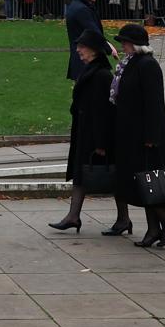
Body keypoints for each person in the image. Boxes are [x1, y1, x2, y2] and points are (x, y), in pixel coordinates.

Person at [110, 22, 165, 248]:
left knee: (149, 180)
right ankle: (153, 229)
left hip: (148, 134)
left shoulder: (148, 65)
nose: (122, 46)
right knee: (144, 182)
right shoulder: (131, 64)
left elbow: (154, 103)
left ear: (133, 44)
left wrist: (151, 135)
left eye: (125, 42)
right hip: (132, 132)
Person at [50, 29, 114, 233]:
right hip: (85, 131)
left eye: (82, 46)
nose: (78, 50)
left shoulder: (102, 75)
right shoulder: (90, 70)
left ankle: (123, 218)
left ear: (94, 50)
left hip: (95, 135)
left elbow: (104, 111)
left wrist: (101, 143)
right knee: (81, 174)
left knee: (113, 177)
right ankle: (73, 216)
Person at [63, 0, 102, 82]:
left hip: (83, 55)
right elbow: (93, 31)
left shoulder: (81, 5)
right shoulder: (81, 9)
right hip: (84, 57)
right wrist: (109, 48)